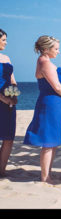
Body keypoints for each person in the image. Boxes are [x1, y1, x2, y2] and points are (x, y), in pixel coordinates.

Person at [24, 36, 61, 183]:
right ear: (46, 49)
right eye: (56, 49)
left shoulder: (43, 61)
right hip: (50, 105)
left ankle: (48, 174)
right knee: (48, 142)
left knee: (53, 141)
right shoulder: (45, 63)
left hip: (55, 105)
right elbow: (57, 87)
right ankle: (45, 177)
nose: (59, 51)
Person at [0, 29, 18, 177]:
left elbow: (12, 80)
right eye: (4, 39)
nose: (6, 42)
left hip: (9, 101)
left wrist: (14, 95)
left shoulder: (7, 57)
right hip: (1, 99)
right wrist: (4, 99)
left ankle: (1, 170)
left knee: (8, 137)